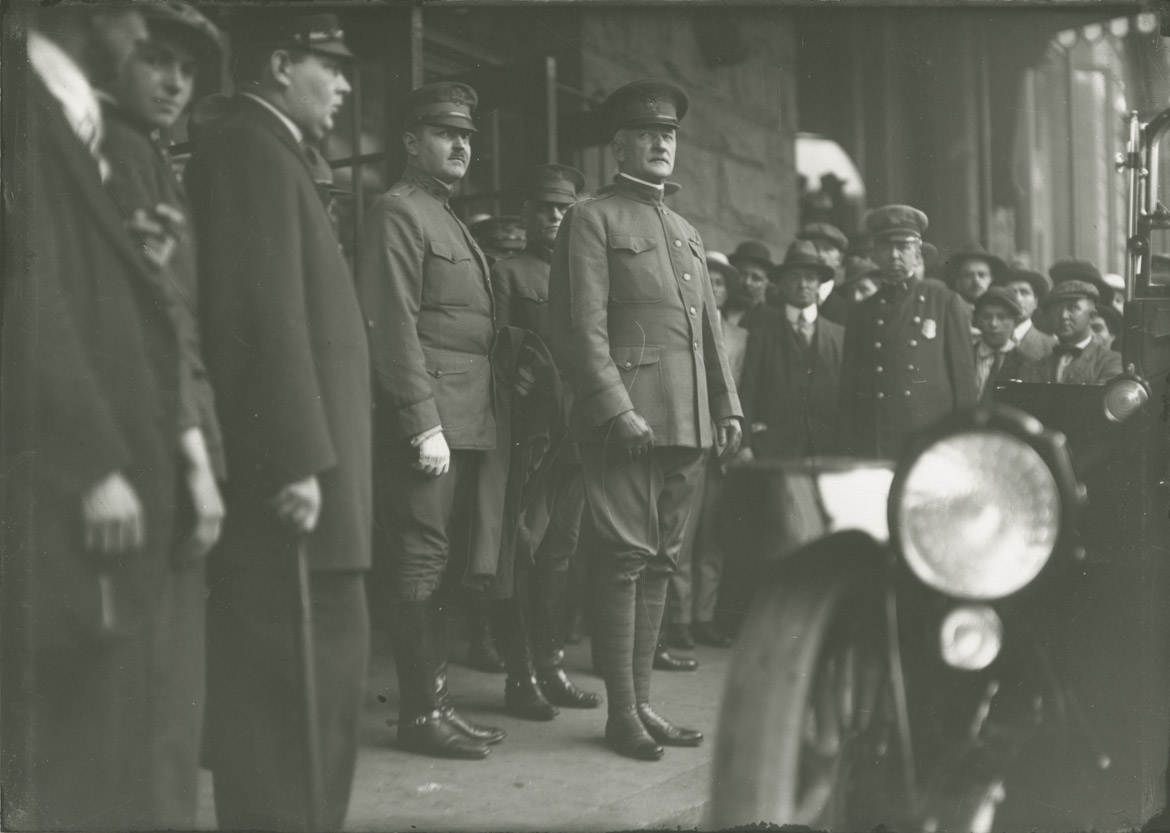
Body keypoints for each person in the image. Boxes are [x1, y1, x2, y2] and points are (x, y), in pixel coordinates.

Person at [185, 14, 372, 829]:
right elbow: (256, 314)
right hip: (294, 490)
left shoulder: (274, 151)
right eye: (331, 64)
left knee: (314, 708)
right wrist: (293, 457)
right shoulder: (249, 149)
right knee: (287, 716)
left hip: (316, 486)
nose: (345, 84)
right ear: (280, 63)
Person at [3, 6, 186, 829]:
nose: (142, 33)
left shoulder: (67, 111)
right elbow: (30, 296)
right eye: (133, 14)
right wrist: (96, 462)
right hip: (66, 472)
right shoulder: (25, 104)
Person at [548, 79, 743, 761]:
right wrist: (616, 407)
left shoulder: (685, 231)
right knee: (625, 559)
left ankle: (645, 703)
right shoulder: (591, 218)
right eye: (647, 133)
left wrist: (727, 405)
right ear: (619, 146)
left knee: (662, 560)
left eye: (669, 134)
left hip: (687, 422)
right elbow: (580, 329)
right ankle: (622, 714)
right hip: (627, 420)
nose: (661, 143)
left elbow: (709, 331)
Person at [96, 3, 224, 827]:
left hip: (156, 438)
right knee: (152, 702)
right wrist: (194, 456)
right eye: (156, 61)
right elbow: (149, 319)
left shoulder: (144, 150)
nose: (175, 82)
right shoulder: (119, 151)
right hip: (146, 448)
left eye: (187, 69)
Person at [357, 81, 508, 760]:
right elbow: (390, 324)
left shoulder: (445, 216)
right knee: (419, 558)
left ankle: (437, 704)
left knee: (440, 561)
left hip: (465, 421)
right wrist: (421, 423)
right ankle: (421, 713)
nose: (461, 146)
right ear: (411, 142)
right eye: (446, 133)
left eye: (467, 136)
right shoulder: (399, 212)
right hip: (430, 426)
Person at [488, 163, 603, 719]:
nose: (554, 217)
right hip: (527, 438)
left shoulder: (590, 273)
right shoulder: (508, 273)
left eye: (563, 208)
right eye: (544, 208)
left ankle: (552, 666)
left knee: (560, 553)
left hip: (578, 436)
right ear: (527, 213)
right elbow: (498, 355)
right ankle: (520, 675)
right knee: (519, 553)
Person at [838, 205, 977, 457]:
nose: (894, 255)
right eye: (886, 248)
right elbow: (849, 391)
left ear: (917, 252)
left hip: (931, 439)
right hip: (877, 441)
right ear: (876, 254)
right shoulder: (862, 313)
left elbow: (964, 382)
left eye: (903, 247)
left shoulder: (943, 301)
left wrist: (964, 443)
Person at [663, 252, 749, 654]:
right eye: (707, 280)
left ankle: (704, 617)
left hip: (726, 447)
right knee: (683, 534)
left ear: (728, 292)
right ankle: (678, 620)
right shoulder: (682, 326)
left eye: (719, 283)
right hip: (692, 439)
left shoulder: (741, 337)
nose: (713, 288)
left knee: (713, 538)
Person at [739, 239, 845, 459]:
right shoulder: (761, 335)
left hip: (827, 447)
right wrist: (745, 445)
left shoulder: (839, 335)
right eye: (794, 277)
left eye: (810, 278)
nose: (803, 284)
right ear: (782, 284)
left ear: (819, 284)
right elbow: (748, 390)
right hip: (773, 447)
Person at [1019, 281, 1123, 385]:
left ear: (1092, 316)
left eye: (1073, 308)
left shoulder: (1111, 361)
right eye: (1057, 309)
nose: (1064, 316)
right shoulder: (1033, 367)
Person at [972, 286, 1027, 404]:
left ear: (1015, 322)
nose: (993, 324)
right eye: (987, 317)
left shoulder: (1025, 362)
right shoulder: (965, 356)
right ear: (977, 321)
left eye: (1002, 317)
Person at [796, 221, 851, 324]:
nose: (820, 255)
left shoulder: (848, 307)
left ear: (839, 259)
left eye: (827, 249)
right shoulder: (781, 297)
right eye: (814, 247)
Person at [996, 268, 1055, 362]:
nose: (1018, 299)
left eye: (1024, 293)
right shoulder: (990, 338)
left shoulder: (1051, 344)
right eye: (1011, 292)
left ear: (1036, 301)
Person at [946, 244, 1008, 327]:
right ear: (958, 281)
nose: (976, 281)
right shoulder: (950, 312)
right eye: (968, 275)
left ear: (991, 279)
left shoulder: (1002, 313)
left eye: (982, 275)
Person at [729, 239, 773, 326]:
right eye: (742, 274)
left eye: (756, 278)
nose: (747, 283)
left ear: (765, 283)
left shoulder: (770, 322)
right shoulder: (714, 310)